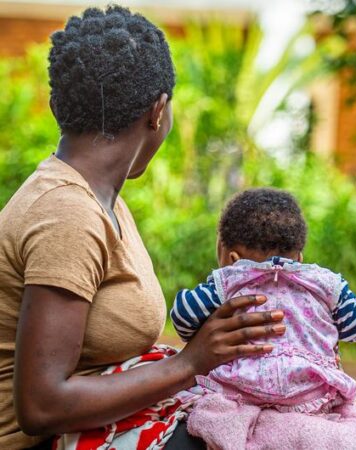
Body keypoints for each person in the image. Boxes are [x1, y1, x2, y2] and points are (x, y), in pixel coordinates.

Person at [0, 6, 284, 449]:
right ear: (158, 111)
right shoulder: (67, 213)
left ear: (57, 107)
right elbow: (42, 407)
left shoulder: (100, 197)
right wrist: (190, 363)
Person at [171, 188, 356, 449]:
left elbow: (183, 318)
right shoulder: (325, 283)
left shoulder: (229, 280)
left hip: (242, 391)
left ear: (232, 257)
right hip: (310, 395)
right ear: (299, 257)